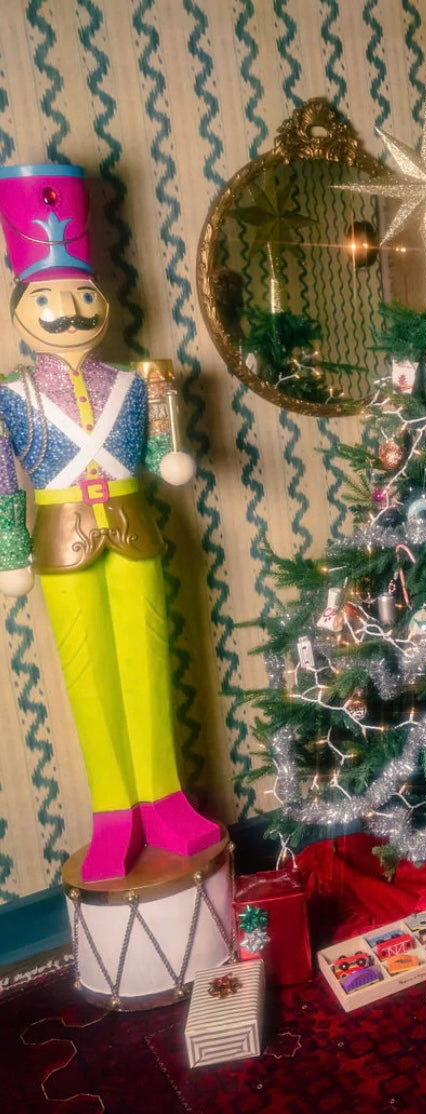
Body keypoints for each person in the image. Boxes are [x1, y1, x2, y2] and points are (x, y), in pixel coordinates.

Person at [0, 163, 221, 882]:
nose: (70, 310)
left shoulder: (136, 381)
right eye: (49, 296)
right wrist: (8, 550)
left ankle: (164, 799)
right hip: (60, 545)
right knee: (87, 675)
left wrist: (173, 447)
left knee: (149, 665)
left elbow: (164, 457)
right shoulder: (11, 394)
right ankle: (113, 812)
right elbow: (5, 482)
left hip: (137, 536)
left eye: (81, 293)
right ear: (22, 306)